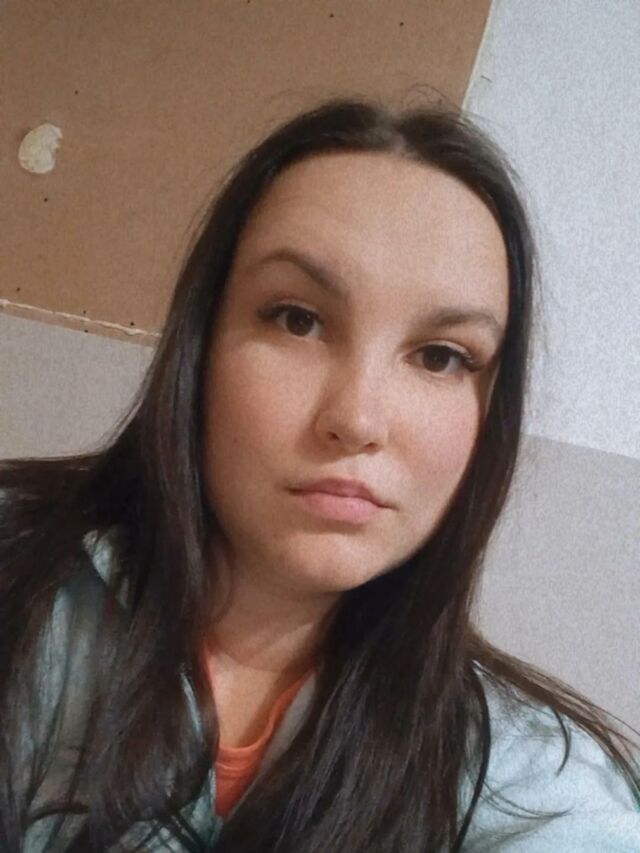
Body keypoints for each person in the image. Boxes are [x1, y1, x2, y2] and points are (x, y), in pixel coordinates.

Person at [1, 95, 639, 852]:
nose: (358, 419)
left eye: (441, 357)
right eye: (297, 319)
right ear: (201, 346)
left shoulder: (538, 790)